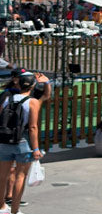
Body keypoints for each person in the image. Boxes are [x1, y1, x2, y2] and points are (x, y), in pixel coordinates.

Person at [0, 73, 41, 214]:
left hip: (4, 140)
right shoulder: (32, 101)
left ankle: (1, 207)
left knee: (2, 176)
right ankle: (15, 211)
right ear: (33, 85)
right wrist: (35, 148)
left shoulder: (6, 99)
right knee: (20, 176)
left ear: (18, 84)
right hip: (22, 141)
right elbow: (32, 127)